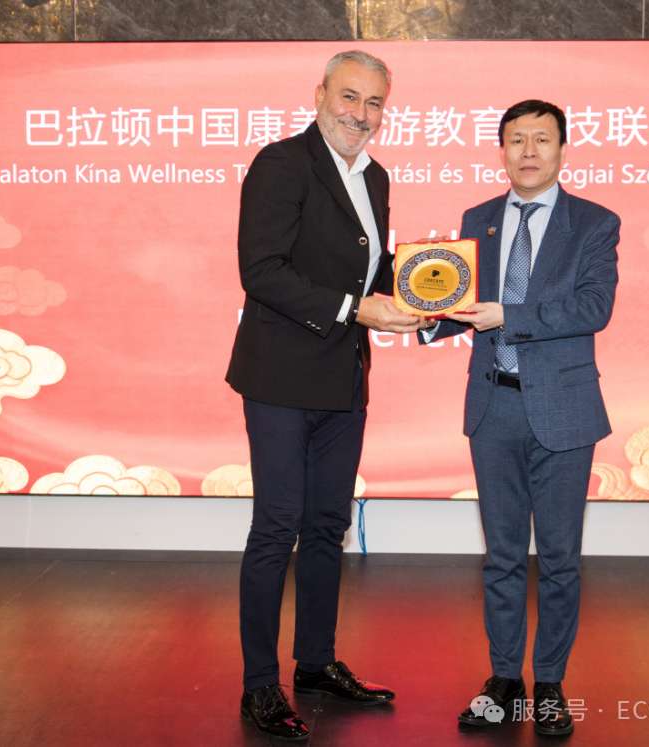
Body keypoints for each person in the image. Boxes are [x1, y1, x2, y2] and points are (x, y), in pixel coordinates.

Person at [226, 50, 426, 741]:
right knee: (277, 525)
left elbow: (374, 270)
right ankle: (259, 684)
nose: (361, 115)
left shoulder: (375, 177)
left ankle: (314, 663)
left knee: (326, 525)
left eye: (374, 103)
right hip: (281, 378)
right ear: (319, 95)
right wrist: (355, 309)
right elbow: (262, 270)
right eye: (350, 97)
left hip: (344, 378)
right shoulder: (282, 164)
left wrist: (428, 285)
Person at [422, 99, 619, 737]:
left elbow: (593, 307)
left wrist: (511, 315)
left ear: (562, 149)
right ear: (501, 150)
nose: (528, 151)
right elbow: (464, 300)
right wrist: (425, 317)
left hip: (565, 410)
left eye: (542, 139)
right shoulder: (477, 220)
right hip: (493, 406)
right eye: (516, 140)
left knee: (559, 558)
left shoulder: (594, 223)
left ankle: (551, 683)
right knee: (502, 556)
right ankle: (504, 679)